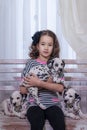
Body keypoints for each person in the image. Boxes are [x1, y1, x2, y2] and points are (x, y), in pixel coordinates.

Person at [20, 29, 66, 130]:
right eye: (43, 44)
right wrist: (40, 84)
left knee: (60, 124)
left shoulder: (57, 64)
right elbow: (22, 90)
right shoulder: (31, 64)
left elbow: (61, 88)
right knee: (36, 124)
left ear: (54, 47)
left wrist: (39, 83)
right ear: (37, 46)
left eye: (50, 45)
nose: (46, 47)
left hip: (53, 104)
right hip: (34, 104)